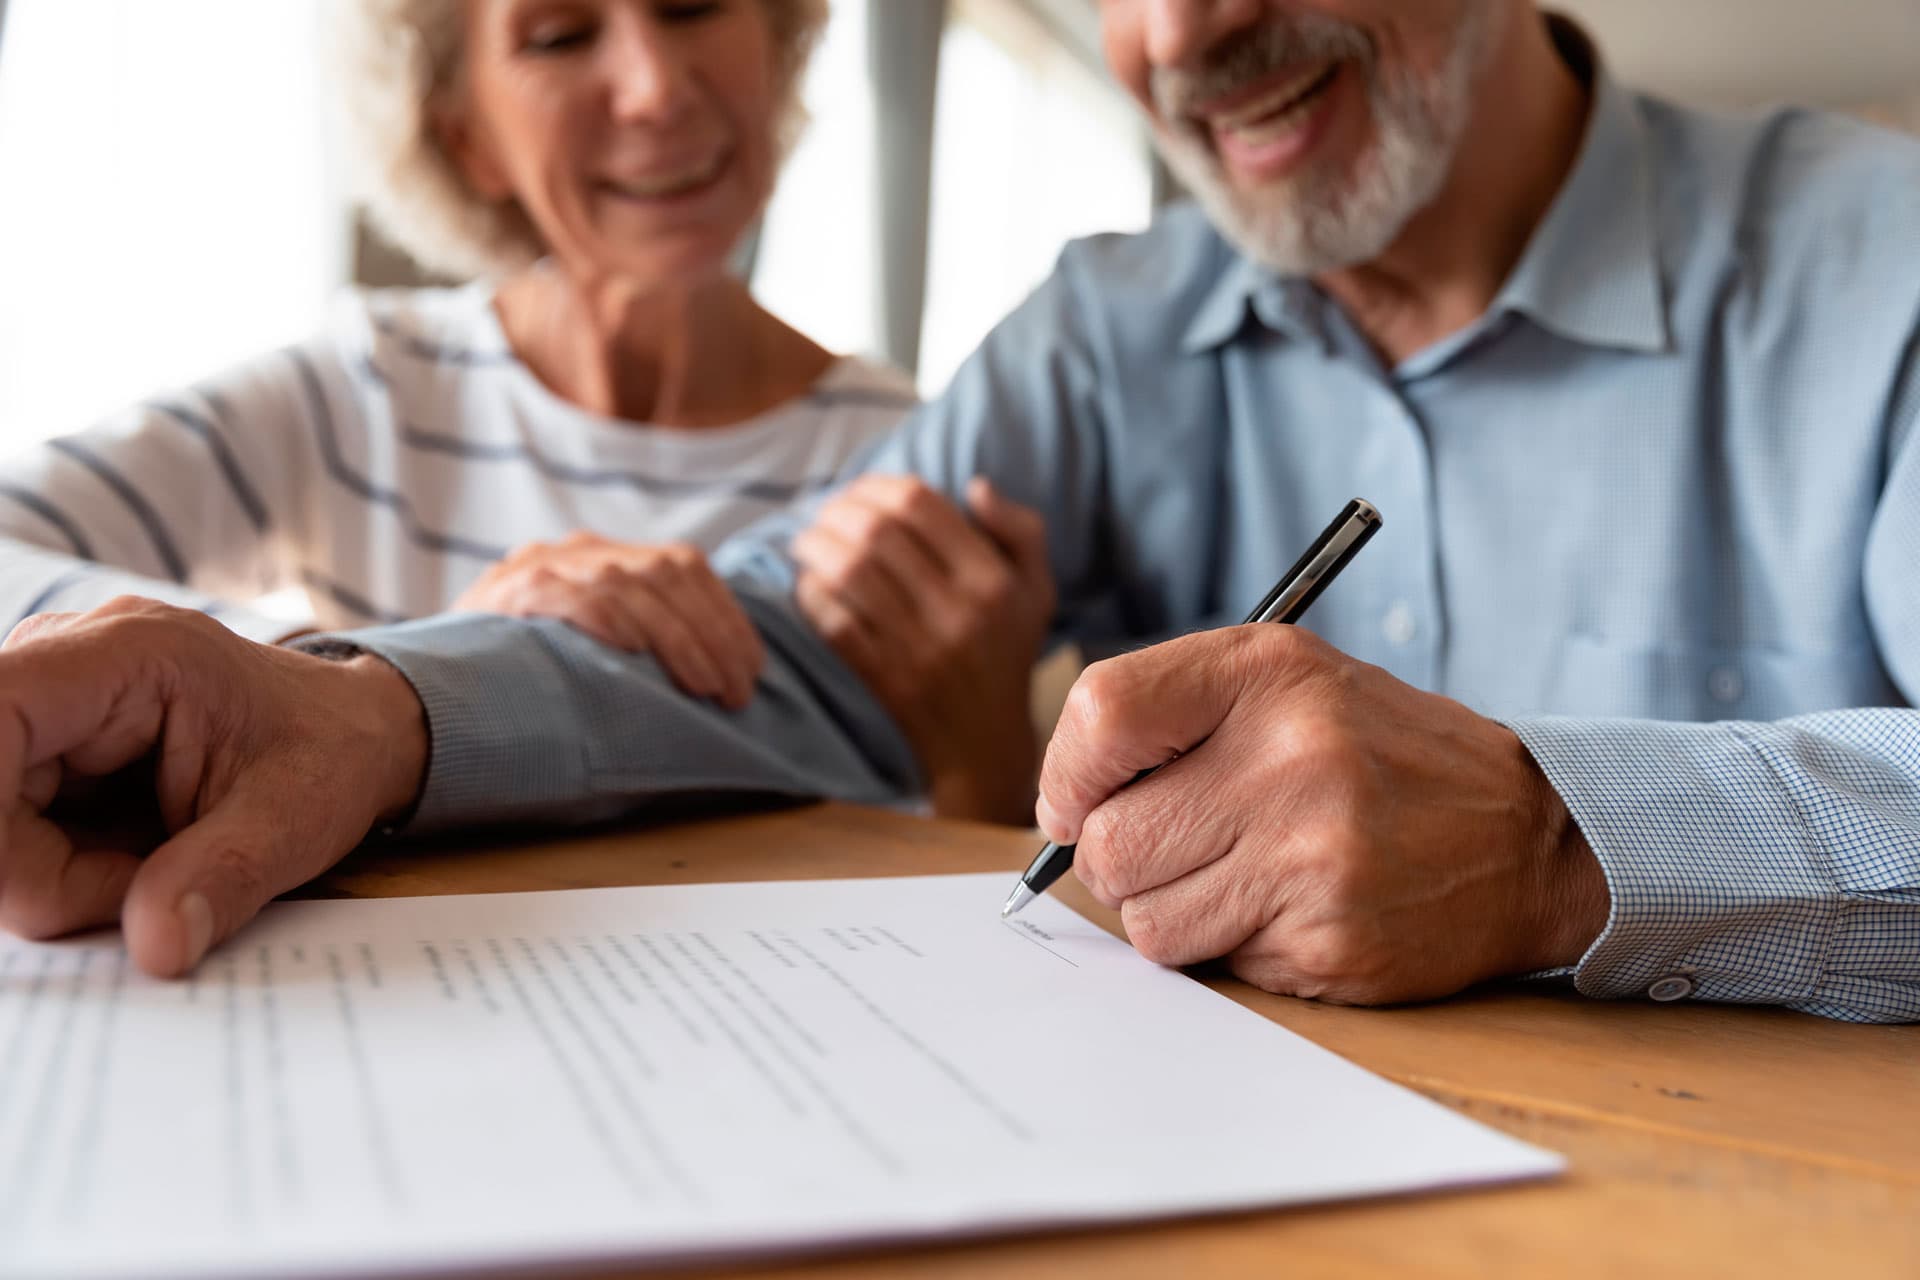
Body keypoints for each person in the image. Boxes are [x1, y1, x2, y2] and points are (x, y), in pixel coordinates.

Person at [1, 0, 1916, 1025]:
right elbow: (773, 650)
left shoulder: (1881, 270)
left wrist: (1552, 848)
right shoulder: (1102, 333)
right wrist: (362, 712)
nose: (1187, 27)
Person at [0, 0, 914, 711]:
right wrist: (388, 678)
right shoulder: (367, 390)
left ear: (778, 42)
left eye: (694, 5)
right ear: (467, 138)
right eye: (559, 36)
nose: (656, 88)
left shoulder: (914, 454)